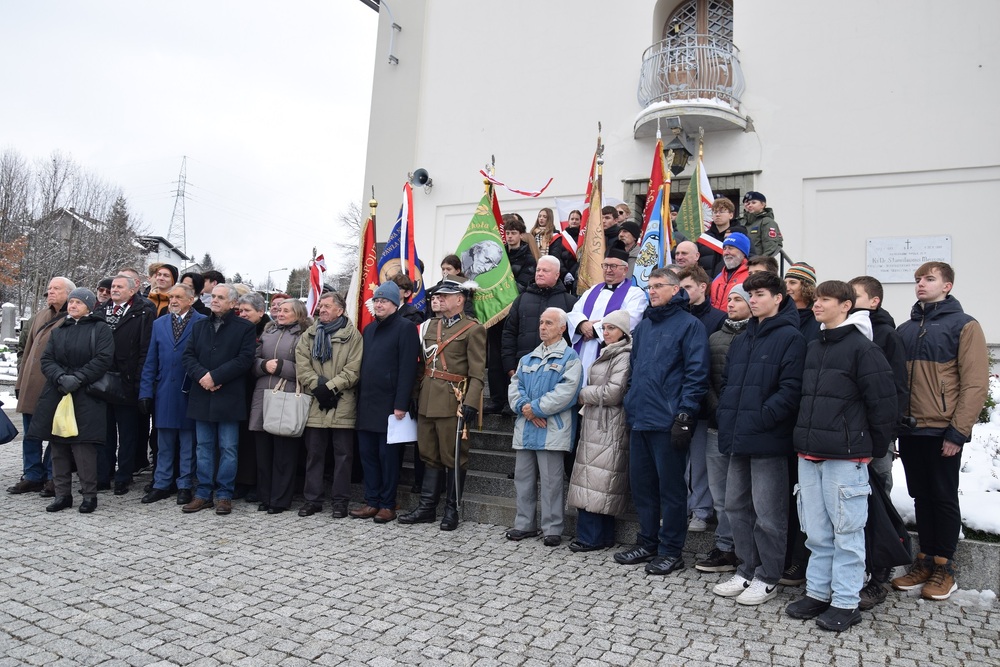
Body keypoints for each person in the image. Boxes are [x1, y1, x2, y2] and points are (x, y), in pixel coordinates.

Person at [785, 280, 896, 631]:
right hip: (809, 452)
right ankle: (818, 593)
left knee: (847, 532)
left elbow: (884, 405)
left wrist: (870, 449)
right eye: (816, 298)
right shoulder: (814, 344)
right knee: (816, 531)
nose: (816, 304)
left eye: (825, 299)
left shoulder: (864, 349)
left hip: (846, 457)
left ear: (846, 305)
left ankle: (847, 602)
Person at [891, 262, 988, 601]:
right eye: (918, 279)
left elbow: (975, 385)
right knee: (921, 495)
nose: (921, 284)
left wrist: (958, 432)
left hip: (942, 430)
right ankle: (925, 560)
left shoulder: (964, 326)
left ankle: (945, 566)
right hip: (911, 428)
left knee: (943, 497)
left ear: (947, 286)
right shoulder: (905, 328)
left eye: (929, 279)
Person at [714, 271, 806, 605]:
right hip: (738, 437)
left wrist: (764, 416)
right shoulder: (742, 337)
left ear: (779, 298)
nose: (753, 300)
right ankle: (745, 569)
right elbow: (726, 383)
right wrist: (728, 415)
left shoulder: (791, 337)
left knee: (769, 514)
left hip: (768, 439)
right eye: (750, 295)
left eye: (760, 294)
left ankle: (768, 576)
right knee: (736, 507)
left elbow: (791, 389)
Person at [614, 268, 710, 575]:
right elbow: (634, 369)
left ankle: (671, 550)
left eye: (658, 286)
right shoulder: (643, 328)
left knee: (671, 489)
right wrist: (630, 400)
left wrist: (685, 414)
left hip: (668, 421)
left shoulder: (689, 325)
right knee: (643, 487)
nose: (651, 291)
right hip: (640, 417)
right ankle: (648, 542)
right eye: (649, 286)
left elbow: (696, 373)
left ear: (674, 289)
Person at [400, 279, 486, 531]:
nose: (439, 300)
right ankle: (427, 507)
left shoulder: (473, 329)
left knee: (454, 456)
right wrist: (415, 395)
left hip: (453, 400)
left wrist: (471, 402)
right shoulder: (430, 326)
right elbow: (421, 365)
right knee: (429, 454)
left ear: (460, 299)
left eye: (445, 296)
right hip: (427, 397)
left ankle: (452, 509)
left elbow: (478, 372)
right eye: (437, 296)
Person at [27, 288, 114, 514]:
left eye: (78, 302)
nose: (72, 305)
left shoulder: (100, 328)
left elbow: (103, 359)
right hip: (59, 392)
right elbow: (47, 359)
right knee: (58, 446)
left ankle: (89, 496)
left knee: (83, 447)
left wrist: (78, 378)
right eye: (71, 301)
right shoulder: (60, 329)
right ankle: (62, 494)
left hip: (86, 394)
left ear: (89, 305)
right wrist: (60, 377)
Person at [506, 308, 582, 546]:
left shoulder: (570, 358)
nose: (542, 327)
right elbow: (514, 387)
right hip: (527, 427)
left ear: (562, 328)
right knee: (523, 479)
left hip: (552, 428)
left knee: (552, 482)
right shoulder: (527, 358)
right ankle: (524, 524)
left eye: (549, 323)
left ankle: (552, 528)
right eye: (540, 322)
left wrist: (534, 409)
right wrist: (525, 408)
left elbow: (567, 392)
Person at [182, 283, 257, 515]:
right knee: (203, 448)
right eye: (213, 296)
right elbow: (188, 356)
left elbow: (245, 359)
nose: (214, 300)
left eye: (220, 297)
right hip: (202, 393)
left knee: (228, 448)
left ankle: (224, 494)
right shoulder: (199, 325)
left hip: (229, 396)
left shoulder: (244, 328)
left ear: (233, 303)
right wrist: (203, 377)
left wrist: (216, 376)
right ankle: (203, 493)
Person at [350, 282, 419, 523]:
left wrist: (401, 403)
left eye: (384, 301)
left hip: (391, 406)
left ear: (395, 303)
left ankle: (388, 504)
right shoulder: (368, 330)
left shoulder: (406, 328)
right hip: (367, 403)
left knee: (387, 457)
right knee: (367, 454)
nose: (379, 304)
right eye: (376, 300)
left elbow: (408, 368)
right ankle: (372, 501)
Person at [695, 284, 752, 574]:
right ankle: (724, 546)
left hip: (745, 428)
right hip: (717, 425)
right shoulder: (715, 336)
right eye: (729, 298)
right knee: (720, 494)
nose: (730, 303)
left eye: (738, 299)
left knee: (740, 494)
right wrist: (719, 409)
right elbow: (705, 378)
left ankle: (745, 550)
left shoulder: (755, 336)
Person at [566, 309, 632, 552]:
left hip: (609, 422)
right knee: (594, 477)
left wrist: (582, 394)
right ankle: (599, 536)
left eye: (611, 328)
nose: (606, 332)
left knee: (599, 478)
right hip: (599, 420)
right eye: (604, 328)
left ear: (623, 331)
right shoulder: (610, 352)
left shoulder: (623, 355)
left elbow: (614, 392)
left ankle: (591, 537)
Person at [296, 291, 364, 519]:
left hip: (343, 402)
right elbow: (302, 365)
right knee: (314, 454)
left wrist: (331, 387)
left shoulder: (353, 336)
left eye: (327, 306)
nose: (321, 309)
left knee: (343, 456)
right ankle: (312, 500)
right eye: (321, 306)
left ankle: (340, 501)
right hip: (316, 401)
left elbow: (354, 369)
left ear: (340, 310)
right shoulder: (309, 334)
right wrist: (318, 387)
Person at [138, 284, 206, 506]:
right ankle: (161, 483)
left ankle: (185, 485)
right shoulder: (160, 324)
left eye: (178, 297)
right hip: (165, 391)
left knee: (188, 442)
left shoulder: (201, 323)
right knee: (164, 442)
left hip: (190, 391)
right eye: (171, 297)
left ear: (191, 299)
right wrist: (146, 392)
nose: (173, 300)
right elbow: (150, 361)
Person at [9, 276, 74, 497]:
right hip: (31, 384)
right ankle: (32, 475)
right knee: (31, 434)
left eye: (56, 288)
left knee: (55, 433)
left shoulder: (73, 318)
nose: (50, 292)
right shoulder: (40, 316)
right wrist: (21, 382)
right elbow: (26, 352)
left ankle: (50, 475)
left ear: (69, 293)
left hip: (54, 385)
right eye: (49, 288)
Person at [95, 273, 155, 495]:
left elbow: (145, 350)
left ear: (132, 290)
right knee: (105, 432)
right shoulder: (100, 311)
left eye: (120, 286)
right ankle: (103, 475)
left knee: (128, 433)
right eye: (113, 287)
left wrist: (139, 382)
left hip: (128, 381)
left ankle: (124, 476)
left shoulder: (143, 312)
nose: (114, 290)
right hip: (101, 381)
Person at [248, 298, 310, 514]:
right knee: (263, 453)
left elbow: (308, 369)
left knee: (284, 454)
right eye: (279, 310)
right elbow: (252, 362)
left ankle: (280, 499)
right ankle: (265, 497)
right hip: (262, 395)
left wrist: (281, 366)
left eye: (286, 310)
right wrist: (264, 365)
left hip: (287, 396)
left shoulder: (305, 336)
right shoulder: (268, 332)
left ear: (299, 314)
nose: (280, 313)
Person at [676, 265, 725, 533]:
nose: (683, 293)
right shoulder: (676, 318)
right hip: (677, 398)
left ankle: (701, 511)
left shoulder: (718, 319)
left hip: (704, 402)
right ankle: (680, 508)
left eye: (687, 288)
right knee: (679, 460)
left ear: (702, 287)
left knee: (701, 462)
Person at [566, 245, 648, 385]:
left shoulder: (635, 294)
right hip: (583, 349)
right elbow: (574, 313)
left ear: (625, 269)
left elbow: (629, 320)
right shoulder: (592, 290)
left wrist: (595, 328)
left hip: (610, 355)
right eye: (605, 265)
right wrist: (582, 324)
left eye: (613, 266)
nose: (608, 270)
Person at [709, 232, 751, 310]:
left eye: (731, 248)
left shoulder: (751, 276)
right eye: (724, 248)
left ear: (743, 252)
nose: (726, 252)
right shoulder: (718, 277)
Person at [699, 197, 735, 277]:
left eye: (722, 212)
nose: (717, 215)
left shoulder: (739, 236)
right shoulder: (704, 238)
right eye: (715, 212)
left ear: (731, 215)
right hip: (706, 282)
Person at [785, 262, 820, 343]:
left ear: (806, 286)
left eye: (792, 283)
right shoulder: (780, 313)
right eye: (785, 283)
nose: (786, 288)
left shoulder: (818, 316)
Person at [741, 191, 783, 258]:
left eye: (754, 202)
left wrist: (760, 263)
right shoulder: (741, 222)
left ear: (763, 205)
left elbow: (771, 247)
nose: (750, 205)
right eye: (747, 203)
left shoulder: (767, 222)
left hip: (756, 264)